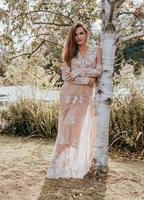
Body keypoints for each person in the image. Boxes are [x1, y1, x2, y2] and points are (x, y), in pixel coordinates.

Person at [46, 22, 103, 179]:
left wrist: (78, 71)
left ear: (86, 33)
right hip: (67, 95)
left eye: (81, 33)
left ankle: (74, 165)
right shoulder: (69, 53)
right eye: (76, 34)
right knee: (64, 129)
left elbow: (98, 71)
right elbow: (66, 77)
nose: (78, 37)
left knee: (74, 131)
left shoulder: (96, 50)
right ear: (73, 36)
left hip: (84, 97)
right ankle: (56, 166)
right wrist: (86, 79)